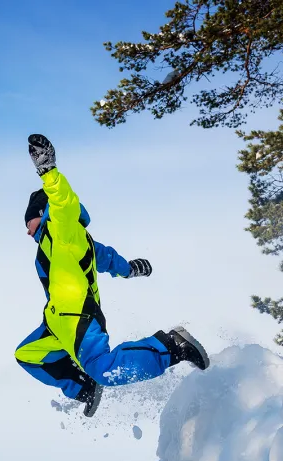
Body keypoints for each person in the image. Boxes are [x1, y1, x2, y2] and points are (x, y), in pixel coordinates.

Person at [15, 134, 209, 416]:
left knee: (105, 369)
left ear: (42, 213)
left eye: (28, 220)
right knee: (29, 355)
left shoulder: (62, 229)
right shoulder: (68, 242)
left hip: (79, 316)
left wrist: (48, 171)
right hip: (56, 322)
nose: (27, 229)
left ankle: (171, 346)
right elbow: (104, 256)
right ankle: (85, 387)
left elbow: (64, 204)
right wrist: (130, 268)